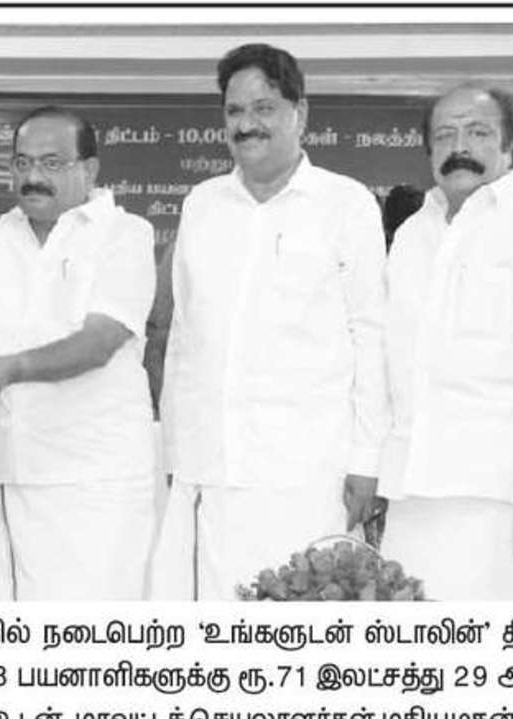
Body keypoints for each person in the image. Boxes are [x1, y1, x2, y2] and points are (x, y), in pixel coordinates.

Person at [154, 43, 388, 600]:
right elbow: (183, 336)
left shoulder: (346, 204)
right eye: (234, 111)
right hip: (212, 466)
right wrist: (175, 449)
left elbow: (371, 335)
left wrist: (368, 459)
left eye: (263, 108)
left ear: (299, 113)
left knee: (304, 614)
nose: (246, 125)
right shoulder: (202, 204)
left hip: (310, 470)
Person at [375, 85, 513, 600]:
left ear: (508, 144)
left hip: (510, 494)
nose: (460, 146)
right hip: (414, 495)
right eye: (444, 135)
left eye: (477, 132)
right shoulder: (411, 234)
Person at [0, 107, 157, 600]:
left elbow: (100, 341)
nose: (33, 176)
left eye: (52, 163)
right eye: (22, 163)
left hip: (94, 481)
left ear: (90, 169)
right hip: (3, 473)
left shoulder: (125, 234)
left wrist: (14, 368)